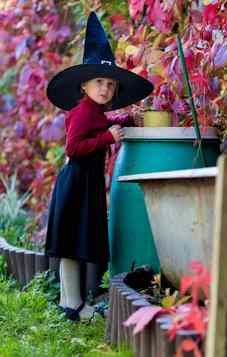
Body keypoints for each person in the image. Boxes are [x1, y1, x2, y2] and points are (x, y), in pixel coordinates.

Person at [45, 11, 153, 322]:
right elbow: (74, 146)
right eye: (98, 82)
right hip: (77, 181)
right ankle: (74, 305)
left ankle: (73, 303)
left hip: (85, 183)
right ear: (84, 86)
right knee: (70, 244)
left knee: (75, 243)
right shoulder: (81, 112)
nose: (105, 89)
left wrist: (121, 120)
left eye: (109, 84)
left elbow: (102, 121)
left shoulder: (94, 110)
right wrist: (107, 137)